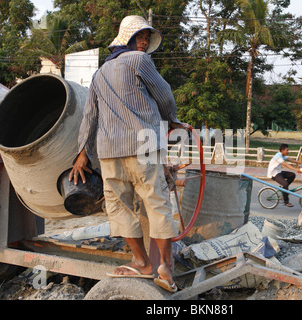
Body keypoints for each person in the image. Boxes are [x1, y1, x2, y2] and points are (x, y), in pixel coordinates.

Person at [69, 15, 187, 293]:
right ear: (127, 39)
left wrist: (82, 153)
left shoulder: (100, 73)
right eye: (140, 37)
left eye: (146, 37)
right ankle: (164, 269)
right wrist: (172, 118)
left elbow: (89, 117)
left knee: (118, 207)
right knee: (156, 203)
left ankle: (141, 261)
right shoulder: (139, 61)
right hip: (142, 146)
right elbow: (164, 92)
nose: (144, 42)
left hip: (109, 152)